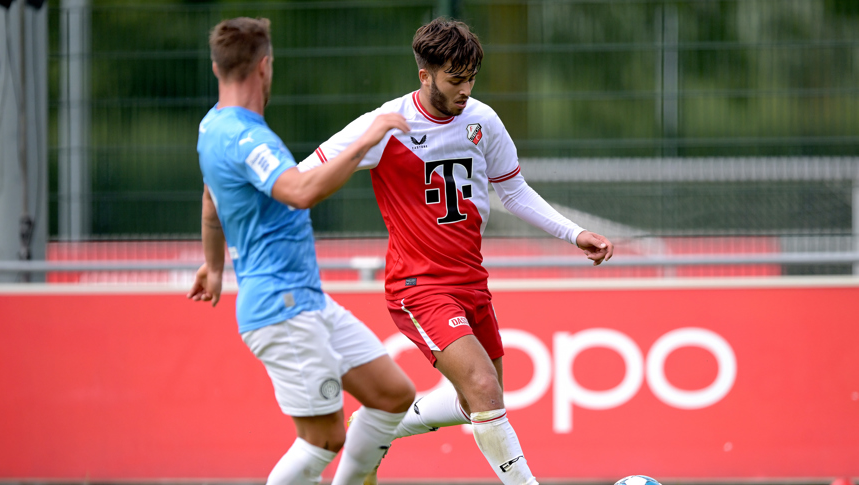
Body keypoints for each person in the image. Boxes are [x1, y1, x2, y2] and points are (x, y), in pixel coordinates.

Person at [298, 17, 615, 485]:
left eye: (471, 78)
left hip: (471, 281)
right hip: (418, 285)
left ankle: (371, 429)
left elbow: (514, 191)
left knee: (479, 403)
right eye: (455, 79)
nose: (466, 89)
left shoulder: (482, 120)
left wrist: (575, 233)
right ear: (424, 75)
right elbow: (302, 176)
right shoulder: (384, 125)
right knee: (484, 388)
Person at [187, 17, 416, 485]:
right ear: (265, 66)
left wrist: (213, 266)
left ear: (217, 67)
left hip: (305, 301)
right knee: (323, 439)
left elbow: (211, 202)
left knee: (393, 394)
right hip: (282, 309)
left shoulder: (211, 128)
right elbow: (300, 191)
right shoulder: (247, 138)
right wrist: (367, 138)